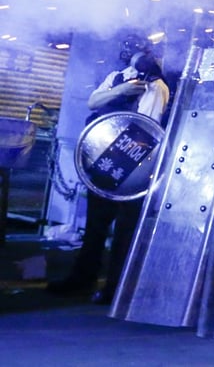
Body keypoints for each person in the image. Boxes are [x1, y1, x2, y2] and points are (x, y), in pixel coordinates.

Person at [47, 32, 170, 305]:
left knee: (125, 235)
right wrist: (122, 91)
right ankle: (82, 279)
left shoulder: (157, 86)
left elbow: (147, 126)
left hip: (134, 170)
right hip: (104, 162)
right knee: (95, 229)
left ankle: (116, 288)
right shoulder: (116, 77)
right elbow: (94, 101)